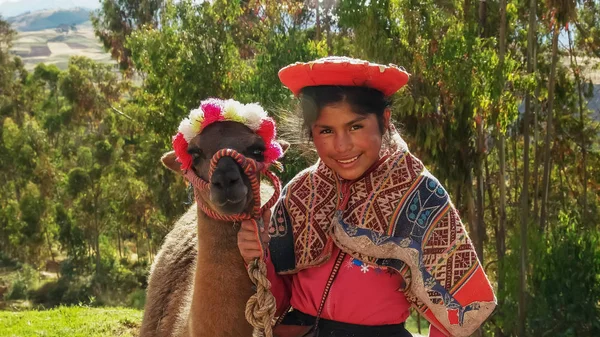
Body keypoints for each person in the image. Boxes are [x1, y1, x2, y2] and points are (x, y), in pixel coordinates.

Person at [237, 56, 496, 337]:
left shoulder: (419, 195)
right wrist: (259, 256)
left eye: (355, 126)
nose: (342, 145)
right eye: (326, 130)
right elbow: (275, 300)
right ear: (311, 133)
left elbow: (455, 311)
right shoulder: (300, 192)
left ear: (384, 120)